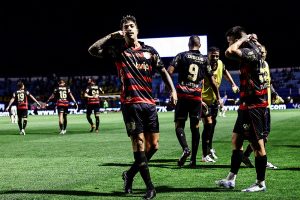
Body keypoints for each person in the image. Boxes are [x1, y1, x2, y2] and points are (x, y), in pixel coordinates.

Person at [88, 15, 177, 200]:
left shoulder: (150, 51)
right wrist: (112, 36)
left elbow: (162, 71)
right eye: (125, 27)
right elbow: (93, 49)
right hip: (130, 104)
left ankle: (129, 174)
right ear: (123, 31)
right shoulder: (118, 50)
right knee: (139, 143)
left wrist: (173, 91)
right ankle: (150, 187)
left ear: (137, 30)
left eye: (131, 26)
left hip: (149, 103)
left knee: (154, 146)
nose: (129, 29)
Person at [215, 26, 269, 192]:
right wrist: (253, 38)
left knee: (257, 146)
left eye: (230, 39)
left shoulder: (249, 51)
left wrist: (243, 39)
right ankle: (231, 179)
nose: (230, 43)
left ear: (237, 37)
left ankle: (260, 183)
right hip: (246, 104)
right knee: (236, 140)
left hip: (254, 105)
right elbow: (263, 50)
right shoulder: (256, 48)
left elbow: (229, 51)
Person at [167, 36, 223, 168]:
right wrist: (219, 98)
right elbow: (213, 82)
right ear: (200, 45)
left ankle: (186, 149)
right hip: (196, 98)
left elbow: (169, 71)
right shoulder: (204, 60)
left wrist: (171, 90)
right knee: (195, 128)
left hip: (182, 95)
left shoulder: (181, 56)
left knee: (179, 125)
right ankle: (193, 160)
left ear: (188, 44)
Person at [242, 44, 284, 169]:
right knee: (261, 135)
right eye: (260, 52)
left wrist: (275, 94)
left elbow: (268, 83)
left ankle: (246, 156)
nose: (262, 54)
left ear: (266, 53)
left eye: (263, 52)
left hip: (266, 104)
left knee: (264, 135)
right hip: (257, 104)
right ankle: (260, 160)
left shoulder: (265, 65)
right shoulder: (253, 65)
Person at [201, 46, 239, 163]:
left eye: (217, 56)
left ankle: (209, 148)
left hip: (214, 100)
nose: (215, 58)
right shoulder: (203, 65)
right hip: (204, 100)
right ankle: (204, 154)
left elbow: (225, 71)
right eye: (213, 56)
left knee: (212, 125)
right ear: (208, 55)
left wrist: (233, 83)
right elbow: (198, 82)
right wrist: (199, 99)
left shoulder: (221, 63)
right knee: (208, 125)